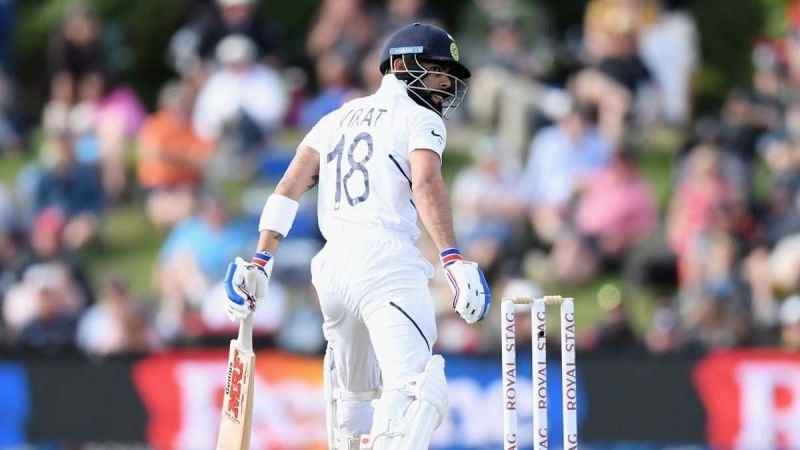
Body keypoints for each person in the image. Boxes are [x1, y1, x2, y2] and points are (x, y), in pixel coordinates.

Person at [220, 23, 490, 449]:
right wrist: (453, 258)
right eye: (438, 69)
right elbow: (426, 184)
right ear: (401, 65)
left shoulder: (334, 118)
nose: (446, 81)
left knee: (353, 403)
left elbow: (289, 187)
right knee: (416, 390)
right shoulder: (419, 117)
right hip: (387, 263)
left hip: (332, 272)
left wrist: (261, 260)